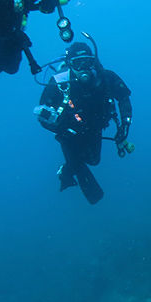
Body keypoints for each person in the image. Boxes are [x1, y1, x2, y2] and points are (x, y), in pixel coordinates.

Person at [35, 40, 133, 204]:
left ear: (94, 62)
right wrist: (61, 128)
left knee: (94, 160)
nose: (84, 68)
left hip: (95, 128)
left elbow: (124, 97)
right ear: (70, 64)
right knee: (79, 169)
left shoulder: (106, 77)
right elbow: (42, 115)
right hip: (69, 133)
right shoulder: (59, 83)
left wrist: (125, 125)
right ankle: (67, 172)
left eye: (88, 62)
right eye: (77, 63)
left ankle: (69, 168)